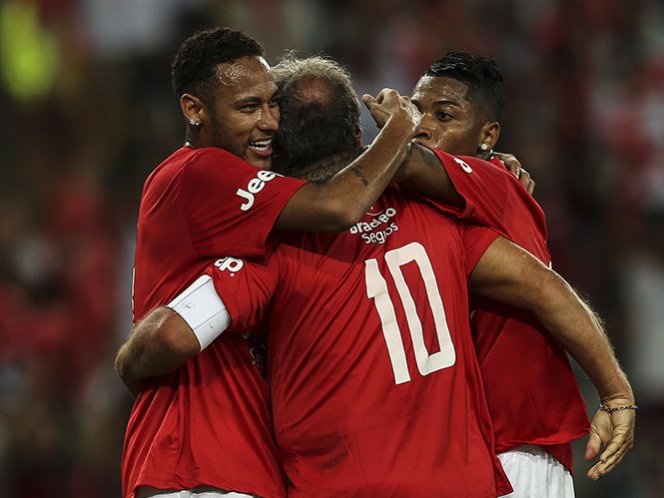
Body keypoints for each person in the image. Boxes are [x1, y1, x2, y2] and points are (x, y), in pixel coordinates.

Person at [120, 55, 634, 497]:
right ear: (356, 132)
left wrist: (130, 365)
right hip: (464, 482)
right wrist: (615, 393)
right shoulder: (441, 218)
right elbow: (544, 287)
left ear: (275, 149)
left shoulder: (270, 248)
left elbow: (172, 332)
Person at [118, 27, 420, 498]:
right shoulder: (200, 172)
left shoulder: (247, 225)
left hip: (226, 467)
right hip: (198, 464)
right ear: (194, 110)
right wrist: (402, 131)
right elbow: (338, 205)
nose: (269, 122)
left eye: (272, 103)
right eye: (247, 108)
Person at [407, 51, 636, 495]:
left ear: (487, 134)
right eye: (414, 110)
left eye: (444, 114)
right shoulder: (463, 193)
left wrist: (616, 394)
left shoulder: (490, 179)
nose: (421, 125)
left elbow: (547, 291)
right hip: (476, 452)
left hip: (512, 451)